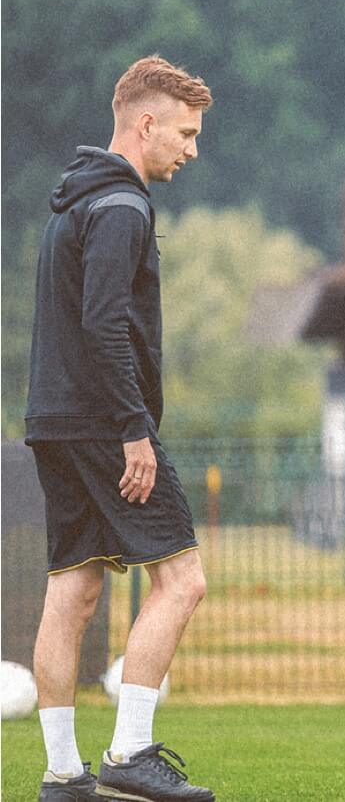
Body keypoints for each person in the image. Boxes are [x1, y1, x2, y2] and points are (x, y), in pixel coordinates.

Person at [25, 56, 215, 802]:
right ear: (146, 124)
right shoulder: (123, 208)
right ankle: (131, 753)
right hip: (108, 423)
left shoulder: (73, 204)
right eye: (186, 132)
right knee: (182, 580)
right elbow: (104, 324)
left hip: (55, 419)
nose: (191, 149)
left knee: (72, 592)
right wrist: (134, 430)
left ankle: (63, 773)